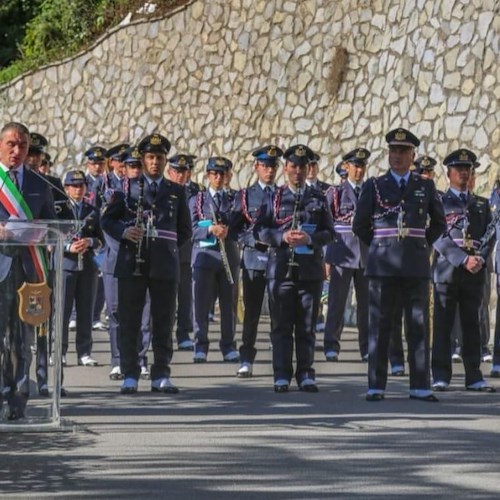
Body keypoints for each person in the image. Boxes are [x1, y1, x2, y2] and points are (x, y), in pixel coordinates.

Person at [353, 128, 446, 402]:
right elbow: (360, 225)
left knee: (417, 325)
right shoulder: (375, 185)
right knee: (381, 326)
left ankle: (420, 385)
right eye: (393, 150)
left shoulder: (425, 186)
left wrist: (421, 244)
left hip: (415, 264)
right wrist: (382, 244)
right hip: (383, 265)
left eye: (403, 152)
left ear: (412, 155)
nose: (397, 156)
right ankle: (376, 385)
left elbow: (438, 223)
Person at [102, 133, 191, 394]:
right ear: (142, 159)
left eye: (159, 158)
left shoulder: (176, 190)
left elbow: (184, 230)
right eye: (150, 157)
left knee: (163, 321)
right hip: (132, 262)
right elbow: (106, 221)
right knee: (130, 321)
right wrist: (125, 233)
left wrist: (165, 248)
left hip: (164, 265)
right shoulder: (126, 188)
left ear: (165, 161)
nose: (155, 162)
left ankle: (161, 373)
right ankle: (130, 372)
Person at [256, 144, 335, 392]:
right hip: (280, 271)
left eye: (303, 167)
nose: (298, 171)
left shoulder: (318, 199)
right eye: (293, 167)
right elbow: (260, 230)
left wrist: (309, 239)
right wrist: (281, 237)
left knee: (306, 326)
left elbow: (329, 233)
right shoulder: (274, 197)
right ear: (286, 168)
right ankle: (281, 374)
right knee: (281, 325)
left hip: (309, 271)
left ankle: (305, 374)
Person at [0, 122, 56, 420]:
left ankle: (18, 401)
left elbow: (52, 224)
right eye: (11, 144)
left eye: (22, 145)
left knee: (22, 340)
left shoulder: (39, 184)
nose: (17, 150)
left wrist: (37, 231)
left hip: (27, 271)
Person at [431, 149, 495, 393]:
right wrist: (462, 259)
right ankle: (440, 375)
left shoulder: (480, 203)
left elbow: (489, 234)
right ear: (449, 173)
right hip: (447, 270)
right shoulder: (438, 202)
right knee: (443, 326)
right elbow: (436, 235)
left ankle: (474, 376)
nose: (464, 173)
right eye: (459, 169)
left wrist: (479, 258)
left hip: (474, 272)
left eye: (468, 170)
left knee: (472, 325)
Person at [101, 146, 152, 380]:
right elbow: (106, 224)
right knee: (116, 311)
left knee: (144, 314)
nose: (134, 170)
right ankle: (117, 360)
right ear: (123, 167)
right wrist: (124, 235)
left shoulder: (151, 192)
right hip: (117, 258)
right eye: (130, 166)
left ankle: (141, 359)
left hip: (145, 258)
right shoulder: (116, 193)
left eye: (137, 166)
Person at [232, 145, 283, 377]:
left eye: (273, 166)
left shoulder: (284, 195)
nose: (269, 170)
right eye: (265, 166)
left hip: (278, 260)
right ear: (256, 167)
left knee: (279, 313)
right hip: (254, 260)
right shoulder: (245, 196)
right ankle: (246, 358)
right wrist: (252, 241)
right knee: (251, 313)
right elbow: (235, 229)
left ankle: (279, 361)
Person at [190, 157, 240, 363]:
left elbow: (244, 226)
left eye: (223, 174)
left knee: (229, 305)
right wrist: (210, 229)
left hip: (228, 257)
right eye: (214, 174)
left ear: (229, 175)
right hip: (204, 258)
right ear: (208, 175)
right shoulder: (197, 200)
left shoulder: (236, 199)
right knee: (201, 304)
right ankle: (200, 345)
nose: (219, 178)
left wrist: (229, 231)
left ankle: (228, 345)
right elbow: (190, 230)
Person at [323, 148, 370, 362]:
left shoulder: (370, 192)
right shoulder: (335, 193)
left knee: (366, 305)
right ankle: (331, 344)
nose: (358, 171)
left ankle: (367, 347)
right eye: (355, 166)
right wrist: (326, 257)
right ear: (346, 167)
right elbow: (327, 226)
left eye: (362, 166)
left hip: (365, 255)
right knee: (337, 302)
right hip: (341, 254)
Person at [58, 170, 104, 367]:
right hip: (66, 265)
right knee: (63, 312)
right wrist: (68, 246)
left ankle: (84, 352)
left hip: (86, 266)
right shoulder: (58, 209)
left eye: (81, 186)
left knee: (86, 311)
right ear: (67, 188)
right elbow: (51, 236)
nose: (78, 190)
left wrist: (90, 241)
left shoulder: (92, 210)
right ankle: (60, 351)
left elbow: (101, 240)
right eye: (74, 186)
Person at [167, 153, 198, 350]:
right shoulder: (163, 189)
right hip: (165, 248)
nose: (181, 175)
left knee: (185, 293)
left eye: (184, 171)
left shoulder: (195, 190)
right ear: (170, 172)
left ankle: (184, 332)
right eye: (177, 171)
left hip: (186, 248)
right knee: (166, 296)